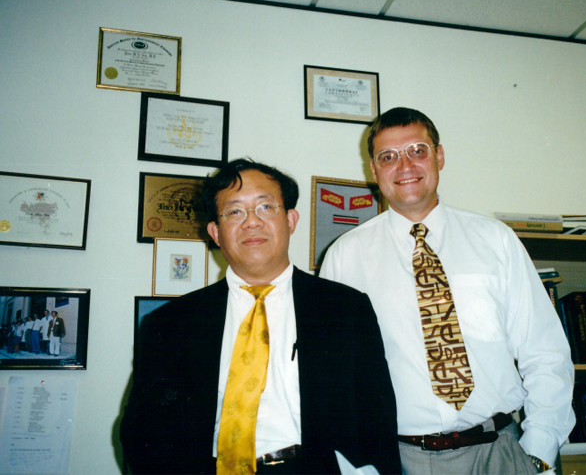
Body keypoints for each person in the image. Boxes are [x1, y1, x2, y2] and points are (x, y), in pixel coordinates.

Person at [320, 107, 575, 474]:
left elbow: (545, 350)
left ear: (439, 156)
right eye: (388, 157)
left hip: (500, 452)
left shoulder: (496, 240)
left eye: (417, 151)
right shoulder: (345, 256)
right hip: (400, 459)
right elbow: (334, 377)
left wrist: (538, 450)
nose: (405, 166)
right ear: (373, 170)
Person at [120, 158, 400, 475]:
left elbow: (378, 422)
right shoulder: (169, 324)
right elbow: (141, 432)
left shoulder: (346, 310)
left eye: (266, 207)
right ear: (215, 232)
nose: (251, 222)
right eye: (234, 212)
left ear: (291, 220)